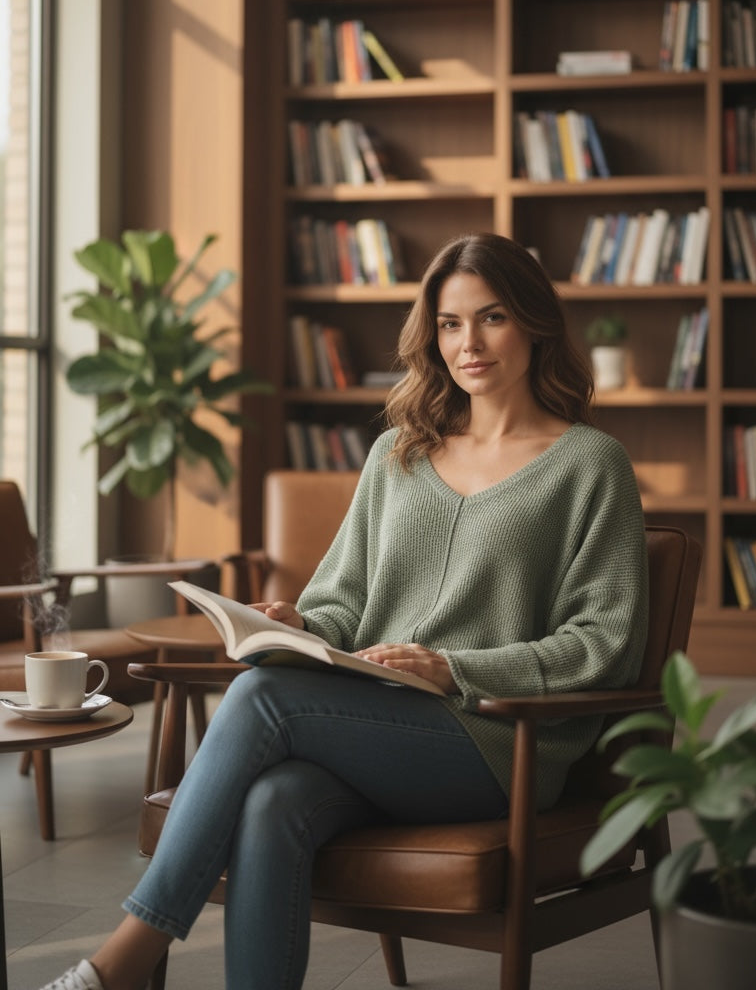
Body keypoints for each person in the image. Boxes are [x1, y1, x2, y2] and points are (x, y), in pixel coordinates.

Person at [40, 232, 648, 990]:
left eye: (491, 318)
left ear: (533, 322)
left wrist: (454, 667)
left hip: (495, 744)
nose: (469, 343)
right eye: (450, 324)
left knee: (264, 700)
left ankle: (125, 957)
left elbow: (606, 642)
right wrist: (298, 626)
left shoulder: (591, 464)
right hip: (376, 727)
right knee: (273, 802)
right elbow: (341, 601)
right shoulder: (398, 453)